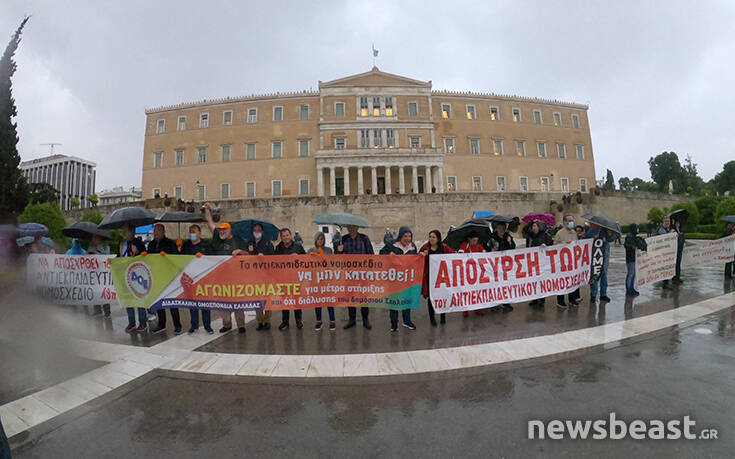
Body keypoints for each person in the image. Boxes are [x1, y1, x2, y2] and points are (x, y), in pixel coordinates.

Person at [204, 202, 247, 334]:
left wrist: (240, 251)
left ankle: (241, 325)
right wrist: (207, 210)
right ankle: (227, 324)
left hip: (236, 278)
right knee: (222, 302)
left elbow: (248, 255)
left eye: (224, 230)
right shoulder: (218, 239)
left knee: (238, 302)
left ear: (230, 231)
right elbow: (210, 223)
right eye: (221, 229)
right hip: (221, 278)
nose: (221, 231)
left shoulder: (239, 240)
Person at [380, 226, 418, 332]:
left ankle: (407, 321)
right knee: (394, 301)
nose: (407, 238)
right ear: (401, 236)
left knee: (406, 301)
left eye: (409, 236)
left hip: (407, 278)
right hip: (394, 278)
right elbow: (381, 254)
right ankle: (394, 323)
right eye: (405, 236)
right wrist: (388, 255)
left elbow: (415, 260)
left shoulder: (412, 246)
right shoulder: (392, 245)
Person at [336, 224, 374, 329]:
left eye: (353, 227)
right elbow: (337, 257)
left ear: (357, 228)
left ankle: (365, 319)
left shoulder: (364, 238)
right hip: (349, 274)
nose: (351, 228)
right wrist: (339, 251)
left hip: (362, 273)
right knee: (350, 296)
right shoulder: (344, 239)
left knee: (363, 297)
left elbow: (371, 254)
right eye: (349, 227)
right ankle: (351, 320)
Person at [147, 223, 182, 334]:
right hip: (157, 276)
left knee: (172, 303)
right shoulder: (151, 244)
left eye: (158, 231)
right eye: (154, 231)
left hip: (169, 277)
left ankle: (177, 325)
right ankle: (162, 324)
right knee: (160, 302)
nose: (156, 233)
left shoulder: (170, 243)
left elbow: (176, 258)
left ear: (163, 232)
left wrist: (167, 256)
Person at [180, 224, 214, 334]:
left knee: (205, 303)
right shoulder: (186, 245)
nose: (192, 234)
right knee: (192, 303)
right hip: (190, 279)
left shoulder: (206, 245)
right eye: (190, 232)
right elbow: (180, 260)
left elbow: (213, 260)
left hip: (203, 278)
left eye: (194, 231)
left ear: (199, 233)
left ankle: (207, 325)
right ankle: (194, 325)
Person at [419, 229, 454, 326]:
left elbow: (452, 255)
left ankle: (443, 316)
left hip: (441, 278)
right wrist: (422, 256)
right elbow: (418, 258)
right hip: (430, 278)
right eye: (430, 236)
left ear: (438, 238)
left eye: (433, 237)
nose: (431, 239)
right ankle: (432, 318)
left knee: (442, 296)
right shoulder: (425, 247)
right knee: (431, 298)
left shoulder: (444, 247)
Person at [274, 228, 306, 330]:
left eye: (287, 235)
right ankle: (285, 322)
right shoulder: (278, 248)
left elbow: (306, 260)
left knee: (297, 300)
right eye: (283, 236)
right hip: (283, 279)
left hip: (295, 278)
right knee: (285, 301)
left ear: (290, 235)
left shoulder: (298, 246)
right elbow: (273, 263)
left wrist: (298, 257)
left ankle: (298, 321)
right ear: (281, 237)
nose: (286, 237)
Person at [246, 223, 275, 330]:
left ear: (262, 232)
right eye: (255, 230)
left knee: (267, 298)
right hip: (254, 275)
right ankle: (260, 321)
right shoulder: (249, 242)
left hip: (266, 274)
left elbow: (274, 259)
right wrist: (249, 252)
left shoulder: (268, 243)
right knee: (257, 298)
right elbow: (246, 259)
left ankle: (267, 320)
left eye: (258, 230)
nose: (256, 232)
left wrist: (264, 257)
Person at [119, 224, 147, 332]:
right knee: (128, 299)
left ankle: (143, 322)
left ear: (132, 232)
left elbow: (145, 256)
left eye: (126, 231)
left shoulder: (138, 243)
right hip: (125, 274)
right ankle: (131, 322)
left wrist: (137, 253)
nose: (124, 234)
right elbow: (120, 256)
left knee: (138, 298)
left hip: (136, 274)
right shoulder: (122, 244)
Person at [307, 231, 335, 331]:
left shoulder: (329, 250)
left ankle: (332, 321)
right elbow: (306, 265)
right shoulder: (310, 250)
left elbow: (331, 264)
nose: (320, 241)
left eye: (322, 239)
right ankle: (319, 321)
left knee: (329, 301)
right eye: (318, 239)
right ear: (315, 240)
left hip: (326, 279)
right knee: (317, 301)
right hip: (315, 280)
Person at [553, 215, 580, 308]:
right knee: (562, 282)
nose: (572, 222)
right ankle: (560, 301)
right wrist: (563, 244)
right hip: (562, 263)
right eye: (569, 220)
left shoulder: (574, 233)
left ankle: (572, 299)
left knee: (572, 281)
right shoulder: (560, 233)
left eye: (572, 220)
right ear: (564, 222)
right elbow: (554, 247)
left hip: (572, 262)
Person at [490, 221, 516, 312]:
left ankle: (506, 302)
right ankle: (494, 303)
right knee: (495, 283)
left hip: (505, 264)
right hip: (495, 264)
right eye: (499, 227)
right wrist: (491, 250)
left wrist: (509, 242)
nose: (501, 229)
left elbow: (513, 247)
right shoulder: (492, 237)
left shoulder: (507, 236)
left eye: (502, 228)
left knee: (505, 284)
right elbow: (487, 247)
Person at [459, 230, 486, 317]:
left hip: (477, 272)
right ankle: (465, 309)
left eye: (476, 240)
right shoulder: (465, 245)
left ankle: (478, 308)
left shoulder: (478, 246)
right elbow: (459, 255)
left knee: (477, 290)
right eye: (473, 240)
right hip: (467, 273)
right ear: (469, 239)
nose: (475, 242)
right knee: (466, 291)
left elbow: (485, 254)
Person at [586, 222, 614, 302]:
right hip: (595, 257)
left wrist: (609, 234)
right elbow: (586, 242)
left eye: (592, 224)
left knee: (604, 274)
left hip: (604, 256)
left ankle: (603, 294)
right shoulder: (590, 232)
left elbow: (611, 239)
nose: (591, 225)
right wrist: (594, 239)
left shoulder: (604, 231)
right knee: (594, 274)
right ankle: (593, 295)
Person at [528, 221, 553, 308]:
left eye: (535, 226)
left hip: (543, 263)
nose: (533, 228)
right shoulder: (532, 236)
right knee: (534, 281)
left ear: (540, 227)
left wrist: (545, 245)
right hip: (533, 263)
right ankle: (534, 299)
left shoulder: (546, 236)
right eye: (533, 226)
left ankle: (542, 300)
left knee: (542, 281)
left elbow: (551, 247)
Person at [87, 234, 112, 317]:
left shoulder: (105, 247)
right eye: (92, 237)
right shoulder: (91, 246)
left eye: (95, 237)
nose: (93, 239)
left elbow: (107, 257)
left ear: (99, 237)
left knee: (104, 292)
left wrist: (96, 252)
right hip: (94, 273)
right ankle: (97, 310)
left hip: (103, 274)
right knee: (95, 291)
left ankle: (107, 311)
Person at [624, 223, 647, 296]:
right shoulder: (629, 237)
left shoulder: (634, 236)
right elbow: (627, 245)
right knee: (630, 274)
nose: (638, 230)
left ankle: (631, 288)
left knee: (633, 275)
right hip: (631, 259)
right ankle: (628, 290)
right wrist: (632, 247)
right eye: (636, 228)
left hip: (634, 258)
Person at [658, 216, 676, 288]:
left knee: (668, 267)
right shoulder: (661, 230)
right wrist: (670, 234)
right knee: (665, 267)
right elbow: (664, 238)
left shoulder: (669, 228)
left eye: (668, 221)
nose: (668, 222)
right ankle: (665, 284)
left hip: (669, 252)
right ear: (663, 222)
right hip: (663, 252)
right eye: (666, 221)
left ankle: (667, 282)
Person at [672, 218, 685, 284]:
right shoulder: (673, 231)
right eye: (676, 223)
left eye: (678, 223)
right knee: (675, 264)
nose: (678, 224)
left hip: (680, 249)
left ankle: (678, 277)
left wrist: (684, 243)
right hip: (675, 249)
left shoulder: (680, 230)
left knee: (679, 264)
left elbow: (683, 238)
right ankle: (674, 278)